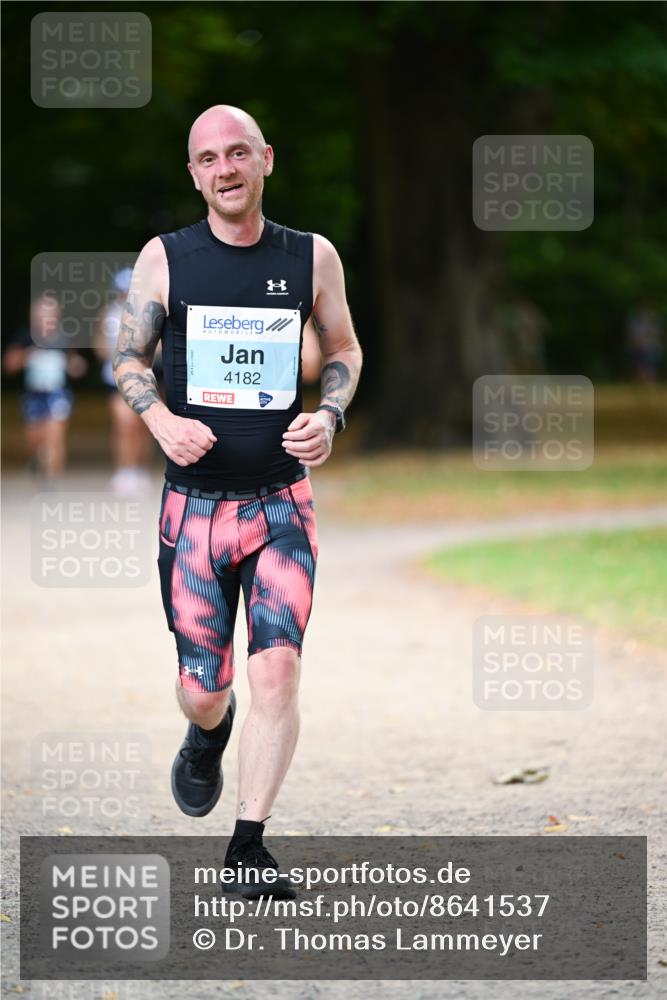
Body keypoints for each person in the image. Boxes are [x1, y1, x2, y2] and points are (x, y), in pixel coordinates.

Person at [112, 105, 362, 898]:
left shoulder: (310, 256)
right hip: (192, 511)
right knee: (204, 686)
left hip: (282, 503)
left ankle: (248, 844)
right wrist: (158, 418)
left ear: (265, 160)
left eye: (238, 153)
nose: (225, 168)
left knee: (279, 671)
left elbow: (345, 346)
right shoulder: (167, 258)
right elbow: (128, 355)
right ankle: (203, 732)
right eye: (208, 158)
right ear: (194, 174)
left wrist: (328, 414)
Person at [4, 293, 86, 485]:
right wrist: (27, 355)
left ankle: (51, 479)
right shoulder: (25, 337)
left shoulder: (64, 339)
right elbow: (9, 365)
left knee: (55, 434)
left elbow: (74, 363)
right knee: (34, 438)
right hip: (33, 394)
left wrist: (76, 366)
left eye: (50, 314)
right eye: (42, 314)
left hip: (58, 393)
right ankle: (35, 459)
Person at [94, 268, 154, 496]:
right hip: (115, 377)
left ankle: (139, 470)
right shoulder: (108, 313)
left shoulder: (149, 314)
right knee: (122, 424)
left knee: (141, 426)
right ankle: (123, 470)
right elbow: (99, 346)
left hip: (144, 376)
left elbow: (157, 348)